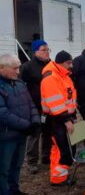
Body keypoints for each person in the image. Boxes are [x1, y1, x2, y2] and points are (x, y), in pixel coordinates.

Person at [0, 54, 40, 195]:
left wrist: (35, 122)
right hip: (5, 137)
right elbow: (3, 114)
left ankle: (14, 190)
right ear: (1, 68)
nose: (18, 71)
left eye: (19, 68)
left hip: (21, 134)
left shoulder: (19, 83)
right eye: (14, 68)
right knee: (3, 169)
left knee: (16, 166)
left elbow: (30, 104)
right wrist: (26, 125)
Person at [41, 51, 77, 186]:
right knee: (63, 150)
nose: (71, 65)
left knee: (61, 149)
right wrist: (67, 120)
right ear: (61, 63)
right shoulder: (51, 77)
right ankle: (58, 178)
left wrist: (72, 115)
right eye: (69, 63)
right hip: (57, 120)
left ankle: (59, 177)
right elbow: (55, 103)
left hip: (63, 118)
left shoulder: (63, 76)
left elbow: (68, 98)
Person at [20, 39, 52, 174]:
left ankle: (46, 157)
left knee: (48, 132)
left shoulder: (52, 65)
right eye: (43, 50)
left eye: (48, 50)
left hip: (50, 106)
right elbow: (21, 86)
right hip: (34, 107)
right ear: (35, 52)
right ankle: (32, 161)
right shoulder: (28, 67)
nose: (47, 52)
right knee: (34, 134)